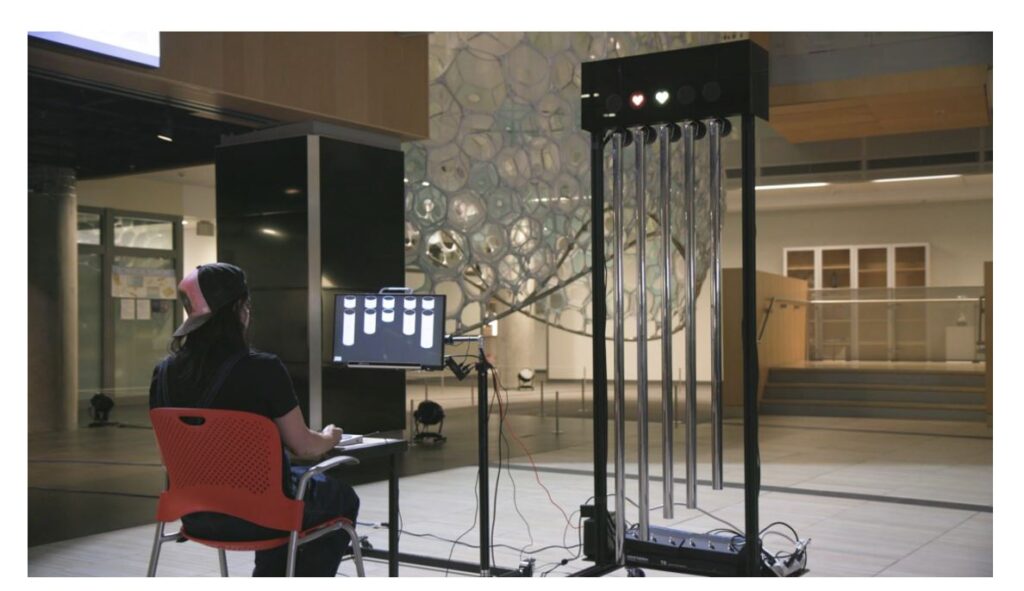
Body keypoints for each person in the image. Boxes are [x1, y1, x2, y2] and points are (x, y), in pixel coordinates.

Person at [149, 262, 359, 576]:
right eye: (248, 306)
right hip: (262, 513)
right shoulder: (263, 368)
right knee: (339, 496)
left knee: (285, 496)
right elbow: (304, 446)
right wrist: (330, 436)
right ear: (239, 309)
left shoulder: (163, 373)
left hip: (194, 511)